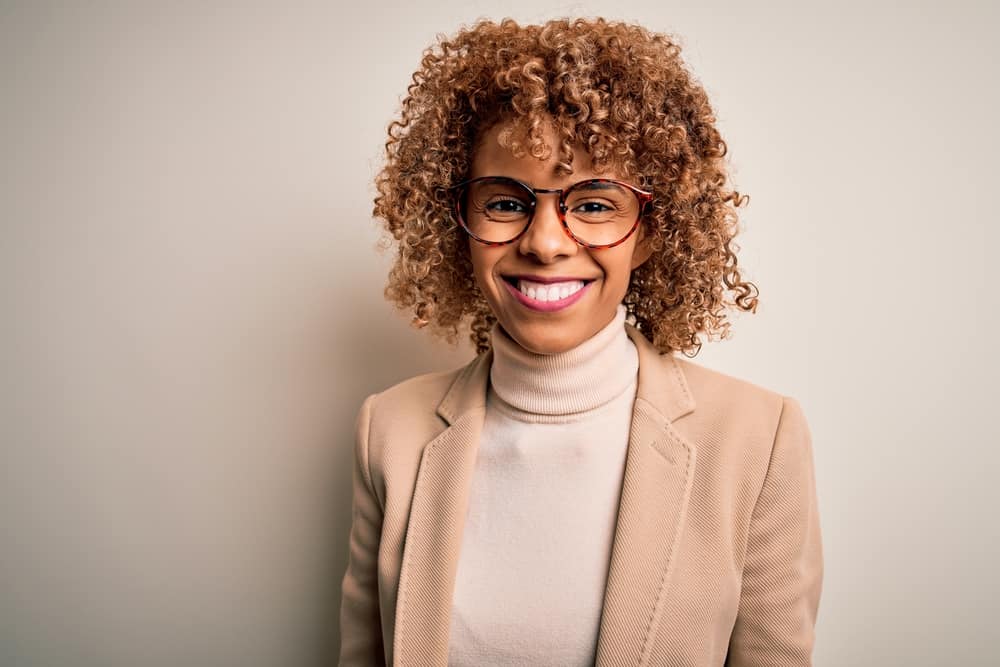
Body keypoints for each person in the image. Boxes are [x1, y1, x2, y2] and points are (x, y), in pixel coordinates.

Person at [338, 17, 823, 667]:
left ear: (650, 229)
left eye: (594, 203)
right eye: (506, 202)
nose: (544, 242)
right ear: (459, 222)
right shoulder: (388, 431)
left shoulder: (759, 439)